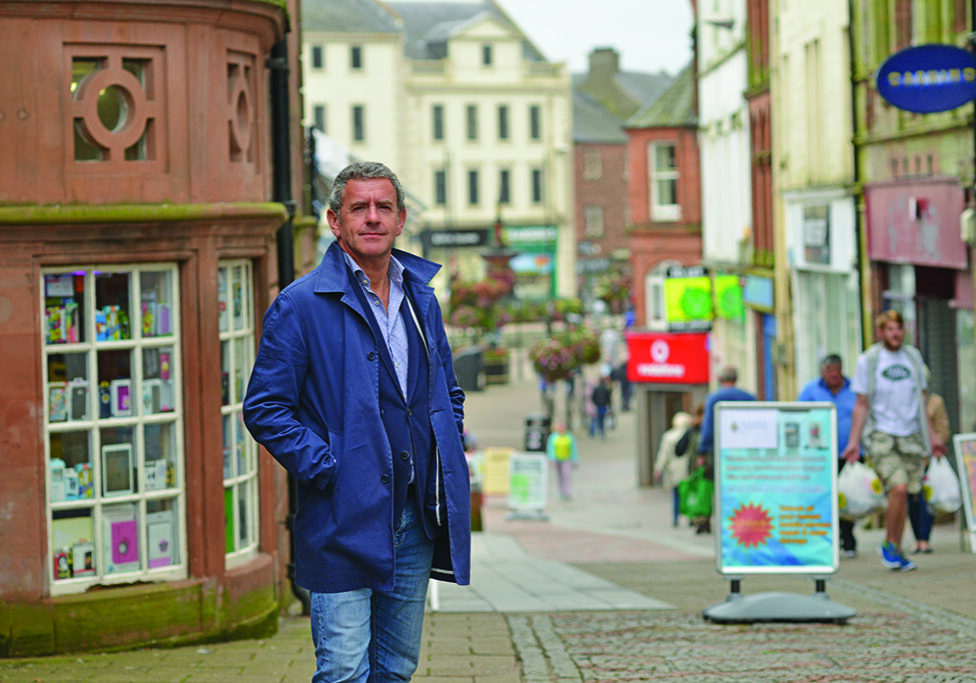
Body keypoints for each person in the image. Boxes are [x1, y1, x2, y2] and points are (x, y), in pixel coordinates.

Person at [242, 161, 470, 682]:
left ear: (401, 219)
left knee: (395, 668)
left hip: (415, 518)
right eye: (358, 208)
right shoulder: (299, 305)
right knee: (344, 669)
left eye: (383, 207)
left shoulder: (422, 299)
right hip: (342, 520)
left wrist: (444, 450)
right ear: (334, 221)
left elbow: (447, 393)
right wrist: (332, 469)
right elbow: (265, 408)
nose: (372, 218)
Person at [841, 310, 947, 572]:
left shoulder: (913, 358)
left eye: (899, 328)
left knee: (908, 493)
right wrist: (854, 442)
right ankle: (890, 545)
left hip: (910, 435)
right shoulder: (870, 360)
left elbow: (922, 401)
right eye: (890, 329)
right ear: (881, 332)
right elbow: (861, 403)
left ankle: (896, 548)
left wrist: (932, 438)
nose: (895, 334)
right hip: (881, 435)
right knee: (898, 488)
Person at [798, 353, 859, 558]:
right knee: (822, 497)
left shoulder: (854, 389)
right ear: (823, 372)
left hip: (848, 453)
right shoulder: (811, 390)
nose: (834, 374)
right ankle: (824, 540)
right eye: (829, 370)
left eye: (837, 370)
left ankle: (848, 540)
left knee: (847, 497)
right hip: (820, 455)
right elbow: (798, 416)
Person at [697, 366, 755, 533]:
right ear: (736, 379)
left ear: (720, 379)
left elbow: (708, 427)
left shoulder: (714, 398)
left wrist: (702, 451)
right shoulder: (748, 397)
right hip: (745, 451)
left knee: (721, 486)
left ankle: (727, 521)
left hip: (722, 451)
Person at [908, 375, 952, 554]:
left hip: (929, 459)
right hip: (910, 457)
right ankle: (916, 538)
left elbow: (943, 427)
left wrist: (936, 445)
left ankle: (925, 538)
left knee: (927, 498)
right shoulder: (905, 399)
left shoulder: (935, 402)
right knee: (912, 499)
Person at [654, 411, 694, 527]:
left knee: (676, 494)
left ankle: (676, 518)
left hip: (674, 470)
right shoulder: (690, 435)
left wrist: (658, 468)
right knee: (688, 494)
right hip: (687, 470)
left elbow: (663, 454)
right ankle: (690, 517)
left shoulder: (668, 437)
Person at [546, 420, 579, 500]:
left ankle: (567, 492)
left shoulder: (569, 436)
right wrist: (550, 459)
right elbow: (550, 448)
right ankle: (561, 492)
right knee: (559, 476)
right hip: (556, 459)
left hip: (566, 459)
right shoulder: (553, 437)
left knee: (566, 475)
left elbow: (573, 448)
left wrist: (575, 459)